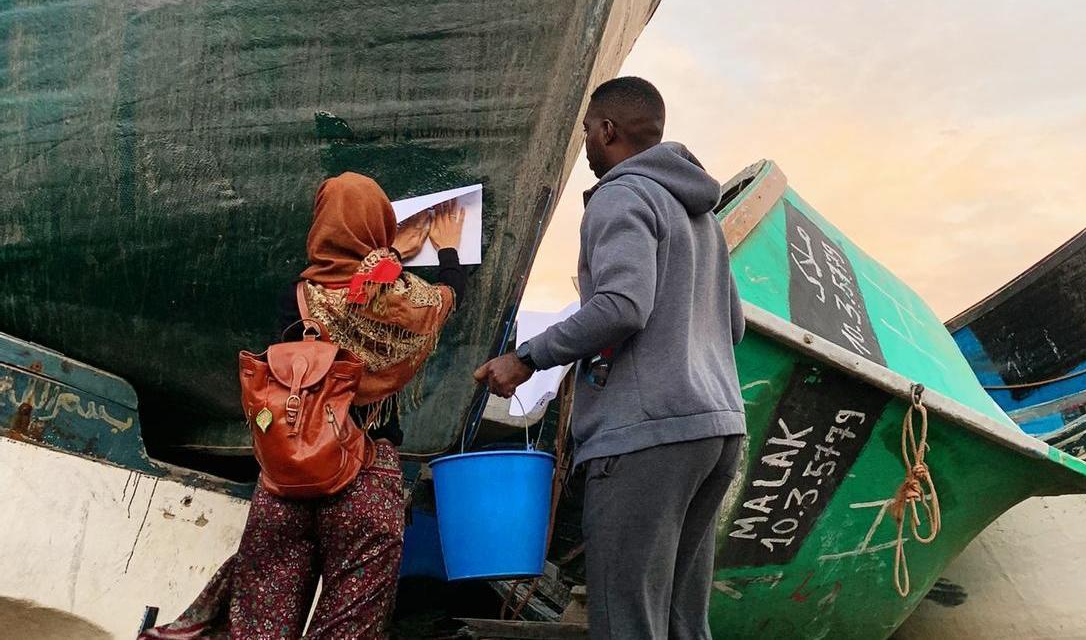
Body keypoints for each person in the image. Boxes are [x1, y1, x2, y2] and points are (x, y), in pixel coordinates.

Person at [474, 76, 745, 640]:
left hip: (645, 439)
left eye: (587, 135)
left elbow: (622, 306)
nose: (588, 149)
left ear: (607, 130)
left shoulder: (622, 194)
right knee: (681, 622)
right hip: (715, 433)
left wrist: (527, 357)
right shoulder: (703, 219)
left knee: (627, 622)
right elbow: (734, 325)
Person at [142, 172, 466, 639]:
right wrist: (446, 252)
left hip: (286, 478)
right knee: (346, 628)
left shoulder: (295, 297)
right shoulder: (398, 298)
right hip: (364, 482)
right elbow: (441, 302)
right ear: (377, 230)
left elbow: (351, 288)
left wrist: (388, 257)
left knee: (259, 628)